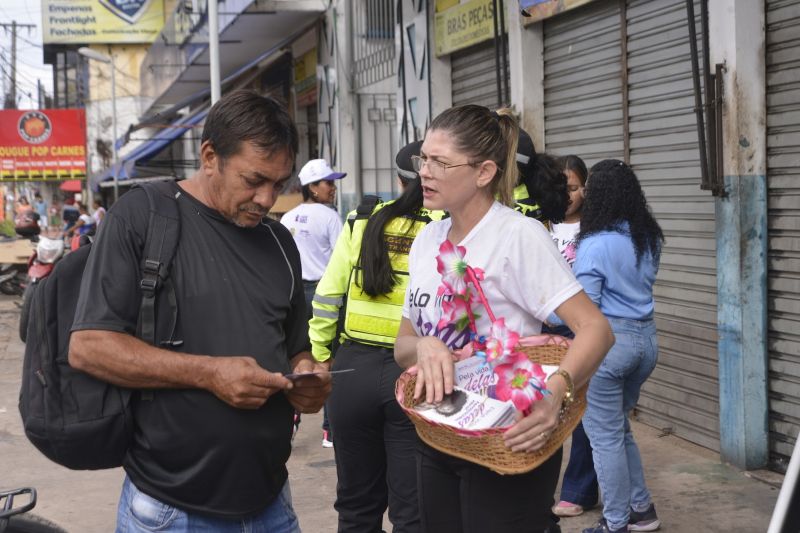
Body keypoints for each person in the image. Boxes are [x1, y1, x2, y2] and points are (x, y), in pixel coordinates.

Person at [68, 90, 331, 533]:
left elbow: (294, 346)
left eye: (279, 184)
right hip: (172, 510)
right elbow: (89, 347)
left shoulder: (279, 243)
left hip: (272, 503)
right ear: (210, 157)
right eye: (253, 180)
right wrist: (209, 373)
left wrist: (306, 375)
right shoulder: (142, 217)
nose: (267, 199)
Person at [394, 104, 614, 533]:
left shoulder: (518, 236)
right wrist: (426, 345)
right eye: (424, 159)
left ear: (484, 172)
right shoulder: (427, 238)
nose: (425, 171)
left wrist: (556, 394)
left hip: (507, 440)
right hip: (439, 435)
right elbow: (403, 345)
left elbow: (596, 329)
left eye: (440, 162)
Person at [309, 141, 443, 532]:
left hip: (352, 371)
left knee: (355, 505)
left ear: (399, 180)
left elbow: (328, 295)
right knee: (412, 508)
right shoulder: (443, 228)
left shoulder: (361, 219)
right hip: (415, 373)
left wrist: (320, 353)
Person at [568, 160, 663, 533]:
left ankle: (615, 522)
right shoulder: (647, 237)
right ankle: (641, 511)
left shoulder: (594, 244)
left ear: (600, 194)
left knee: (603, 437)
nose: (584, 193)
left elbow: (585, 308)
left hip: (608, 346)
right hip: (646, 342)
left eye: (589, 187)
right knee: (618, 429)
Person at [546, 155, 600, 519]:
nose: (568, 196)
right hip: (542, 328)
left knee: (582, 411)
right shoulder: (538, 226)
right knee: (541, 404)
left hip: (580, 328)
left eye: (575, 188)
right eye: (562, 188)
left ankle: (579, 489)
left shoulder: (595, 232)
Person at [280, 157, 346, 447]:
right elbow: (342, 261)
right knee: (327, 357)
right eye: (328, 183)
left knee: (296, 354)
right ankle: (329, 429)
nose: (332, 188)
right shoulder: (330, 217)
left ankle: (291, 413)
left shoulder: (287, 218)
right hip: (324, 296)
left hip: (295, 296)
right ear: (312, 187)